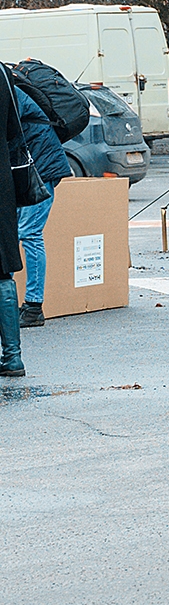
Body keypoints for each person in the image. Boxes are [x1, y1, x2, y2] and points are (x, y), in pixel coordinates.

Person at [10, 79, 71, 328]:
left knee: (29, 233)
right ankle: (7, 302)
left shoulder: (7, 91)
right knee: (10, 234)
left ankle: (34, 307)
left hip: (40, 169)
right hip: (26, 168)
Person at [1, 67, 30, 377]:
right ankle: (13, 355)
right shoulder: (2, 72)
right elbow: (13, 128)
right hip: (1, 183)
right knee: (2, 270)